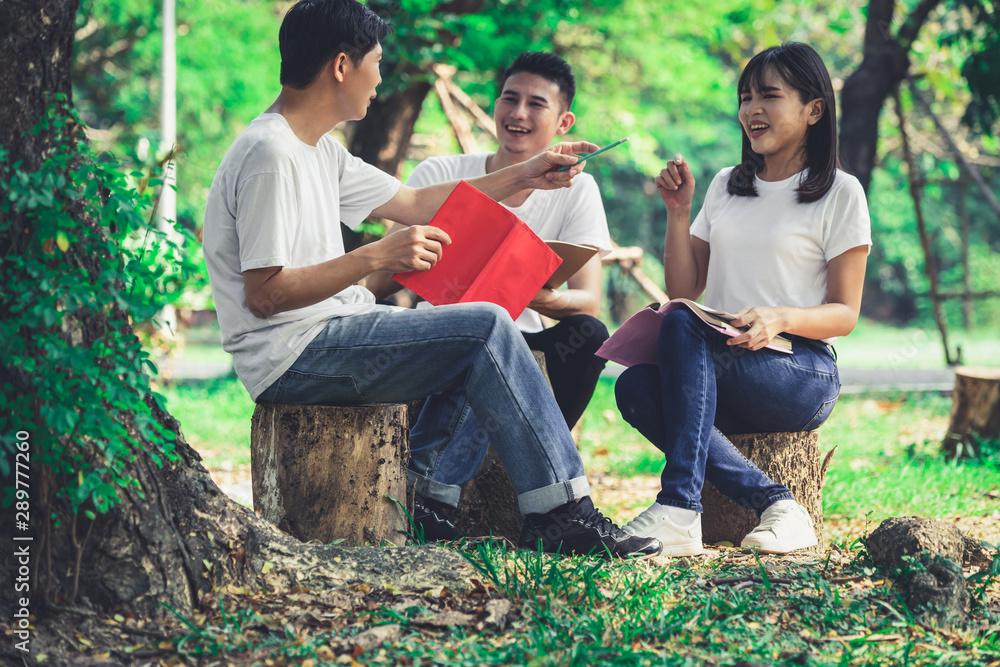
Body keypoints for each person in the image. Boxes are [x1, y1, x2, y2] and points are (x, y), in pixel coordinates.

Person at [202, 0, 660, 559]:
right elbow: (266, 293)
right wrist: (376, 255)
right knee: (487, 327)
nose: (380, 78)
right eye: (376, 62)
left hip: (331, 330)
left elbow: (416, 201)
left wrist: (529, 173)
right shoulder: (271, 153)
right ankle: (561, 514)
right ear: (341, 66)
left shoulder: (317, 148)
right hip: (294, 354)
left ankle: (426, 501)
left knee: (469, 324)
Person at [614, 42, 871, 556]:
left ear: (813, 109)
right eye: (745, 97)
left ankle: (680, 507)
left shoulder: (840, 193)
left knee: (685, 327)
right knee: (636, 386)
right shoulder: (724, 186)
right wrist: (678, 213)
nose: (752, 110)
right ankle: (780, 505)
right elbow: (685, 292)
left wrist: (780, 318)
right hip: (721, 363)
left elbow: (845, 314)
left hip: (799, 371)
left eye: (769, 96)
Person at [368, 52, 612, 525]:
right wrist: (419, 254)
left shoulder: (578, 190)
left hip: (526, 329)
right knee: (483, 330)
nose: (518, 113)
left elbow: (589, 298)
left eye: (535, 104)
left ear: (564, 121)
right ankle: (439, 498)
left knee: (589, 331)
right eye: (509, 98)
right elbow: (377, 280)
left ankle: (530, 451)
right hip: (444, 327)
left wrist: (548, 300)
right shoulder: (439, 175)